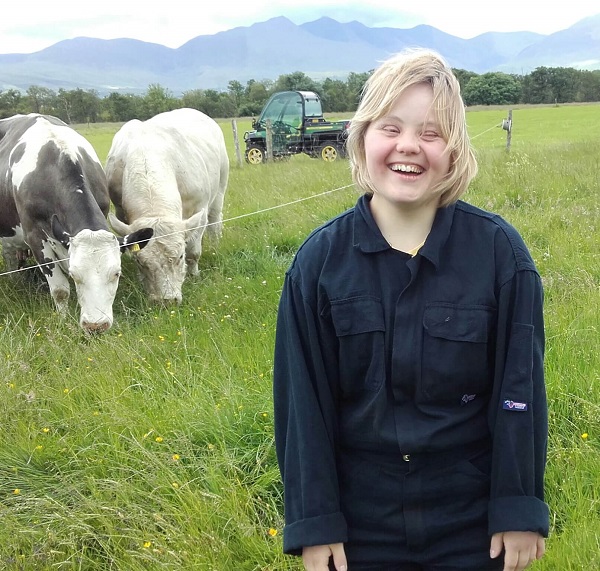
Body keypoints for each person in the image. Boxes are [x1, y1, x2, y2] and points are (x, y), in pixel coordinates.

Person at [272, 47, 549, 571]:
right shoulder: (317, 264)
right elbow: (301, 404)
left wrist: (518, 507)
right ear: (362, 137)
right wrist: (315, 523)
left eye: (431, 133)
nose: (409, 147)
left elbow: (521, 391)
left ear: (455, 148)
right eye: (390, 127)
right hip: (358, 525)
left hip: (470, 522)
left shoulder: (500, 256)